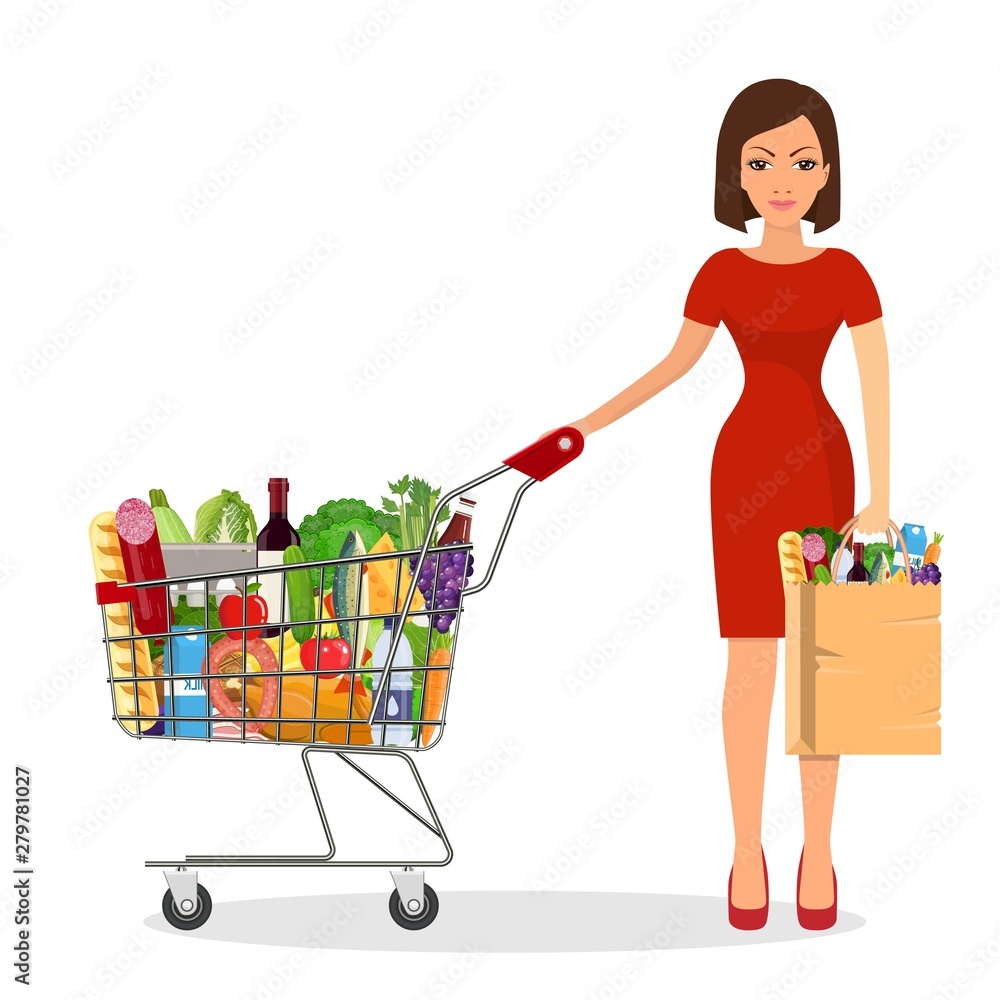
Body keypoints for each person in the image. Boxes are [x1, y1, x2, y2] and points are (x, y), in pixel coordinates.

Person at [555, 79, 889, 931]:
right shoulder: (722, 270)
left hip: (825, 471)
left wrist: (882, 497)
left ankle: (819, 848)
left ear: (826, 176)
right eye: (761, 160)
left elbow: (875, 382)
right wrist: (583, 427)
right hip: (742, 474)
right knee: (750, 667)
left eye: (802, 160)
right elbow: (674, 366)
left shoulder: (848, 271)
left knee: (827, 669)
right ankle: (748, 848)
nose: (783, 177)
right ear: (736, 176)